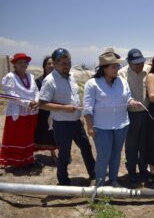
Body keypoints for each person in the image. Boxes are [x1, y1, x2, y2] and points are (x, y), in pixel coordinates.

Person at [84, 49, 141, 187]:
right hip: (101, 127)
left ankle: (114, 180)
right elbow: (87, 108)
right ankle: (99, 183)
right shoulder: (92, 84)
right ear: (104, 68)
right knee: (104, 156)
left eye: (117, 66)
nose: (117, 69)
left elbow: (127, 98)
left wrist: (131, 102)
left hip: (121, 125)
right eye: (113, 67)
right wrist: (90, 127)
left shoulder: (121, 82)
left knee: (116, 155)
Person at [39, 48, 95, 185]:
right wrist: (64, 108)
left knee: (86, 147)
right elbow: (42, 104)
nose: (67, 66)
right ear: (55, 64)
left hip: (76, 122)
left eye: (69, 62)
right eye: (64, 63)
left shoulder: (71, 77)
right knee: (64, 153)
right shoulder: (49, 81)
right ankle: (63, 182)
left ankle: (94, 174)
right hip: (62, 124)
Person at [118, 48, 153, 183]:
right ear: (129, 62)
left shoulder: (149, 70)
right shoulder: (122, 74)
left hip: (146, 113)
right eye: (136, 63)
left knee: (144, 144)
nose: (140, 65)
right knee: (131, 145)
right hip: (130, 115)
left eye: (141, 62)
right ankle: (132, 171)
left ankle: (143, 170)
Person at [0, 53, 39, 167]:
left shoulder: (30, 76)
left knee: (28, 135)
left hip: (31, 111)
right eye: (20, 62)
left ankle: (27, 159)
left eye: (25, 62)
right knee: (17, 136)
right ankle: (14, 161)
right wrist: (28, 103)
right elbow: (12, 95)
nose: (23, 64)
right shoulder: (9, 77)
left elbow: (36, 90)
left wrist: (36, 101)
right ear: (14, 64)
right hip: (17, 112)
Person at [34, 56, 58, 159]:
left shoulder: (59, 80)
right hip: (43, 111)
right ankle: (49, 153)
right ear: (44, 66)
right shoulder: (39, 81)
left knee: (55, 132)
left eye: (53, 63)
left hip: (56, 110)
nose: (51, 65)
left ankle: (55, 153)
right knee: (44, 131)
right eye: (48, 63)